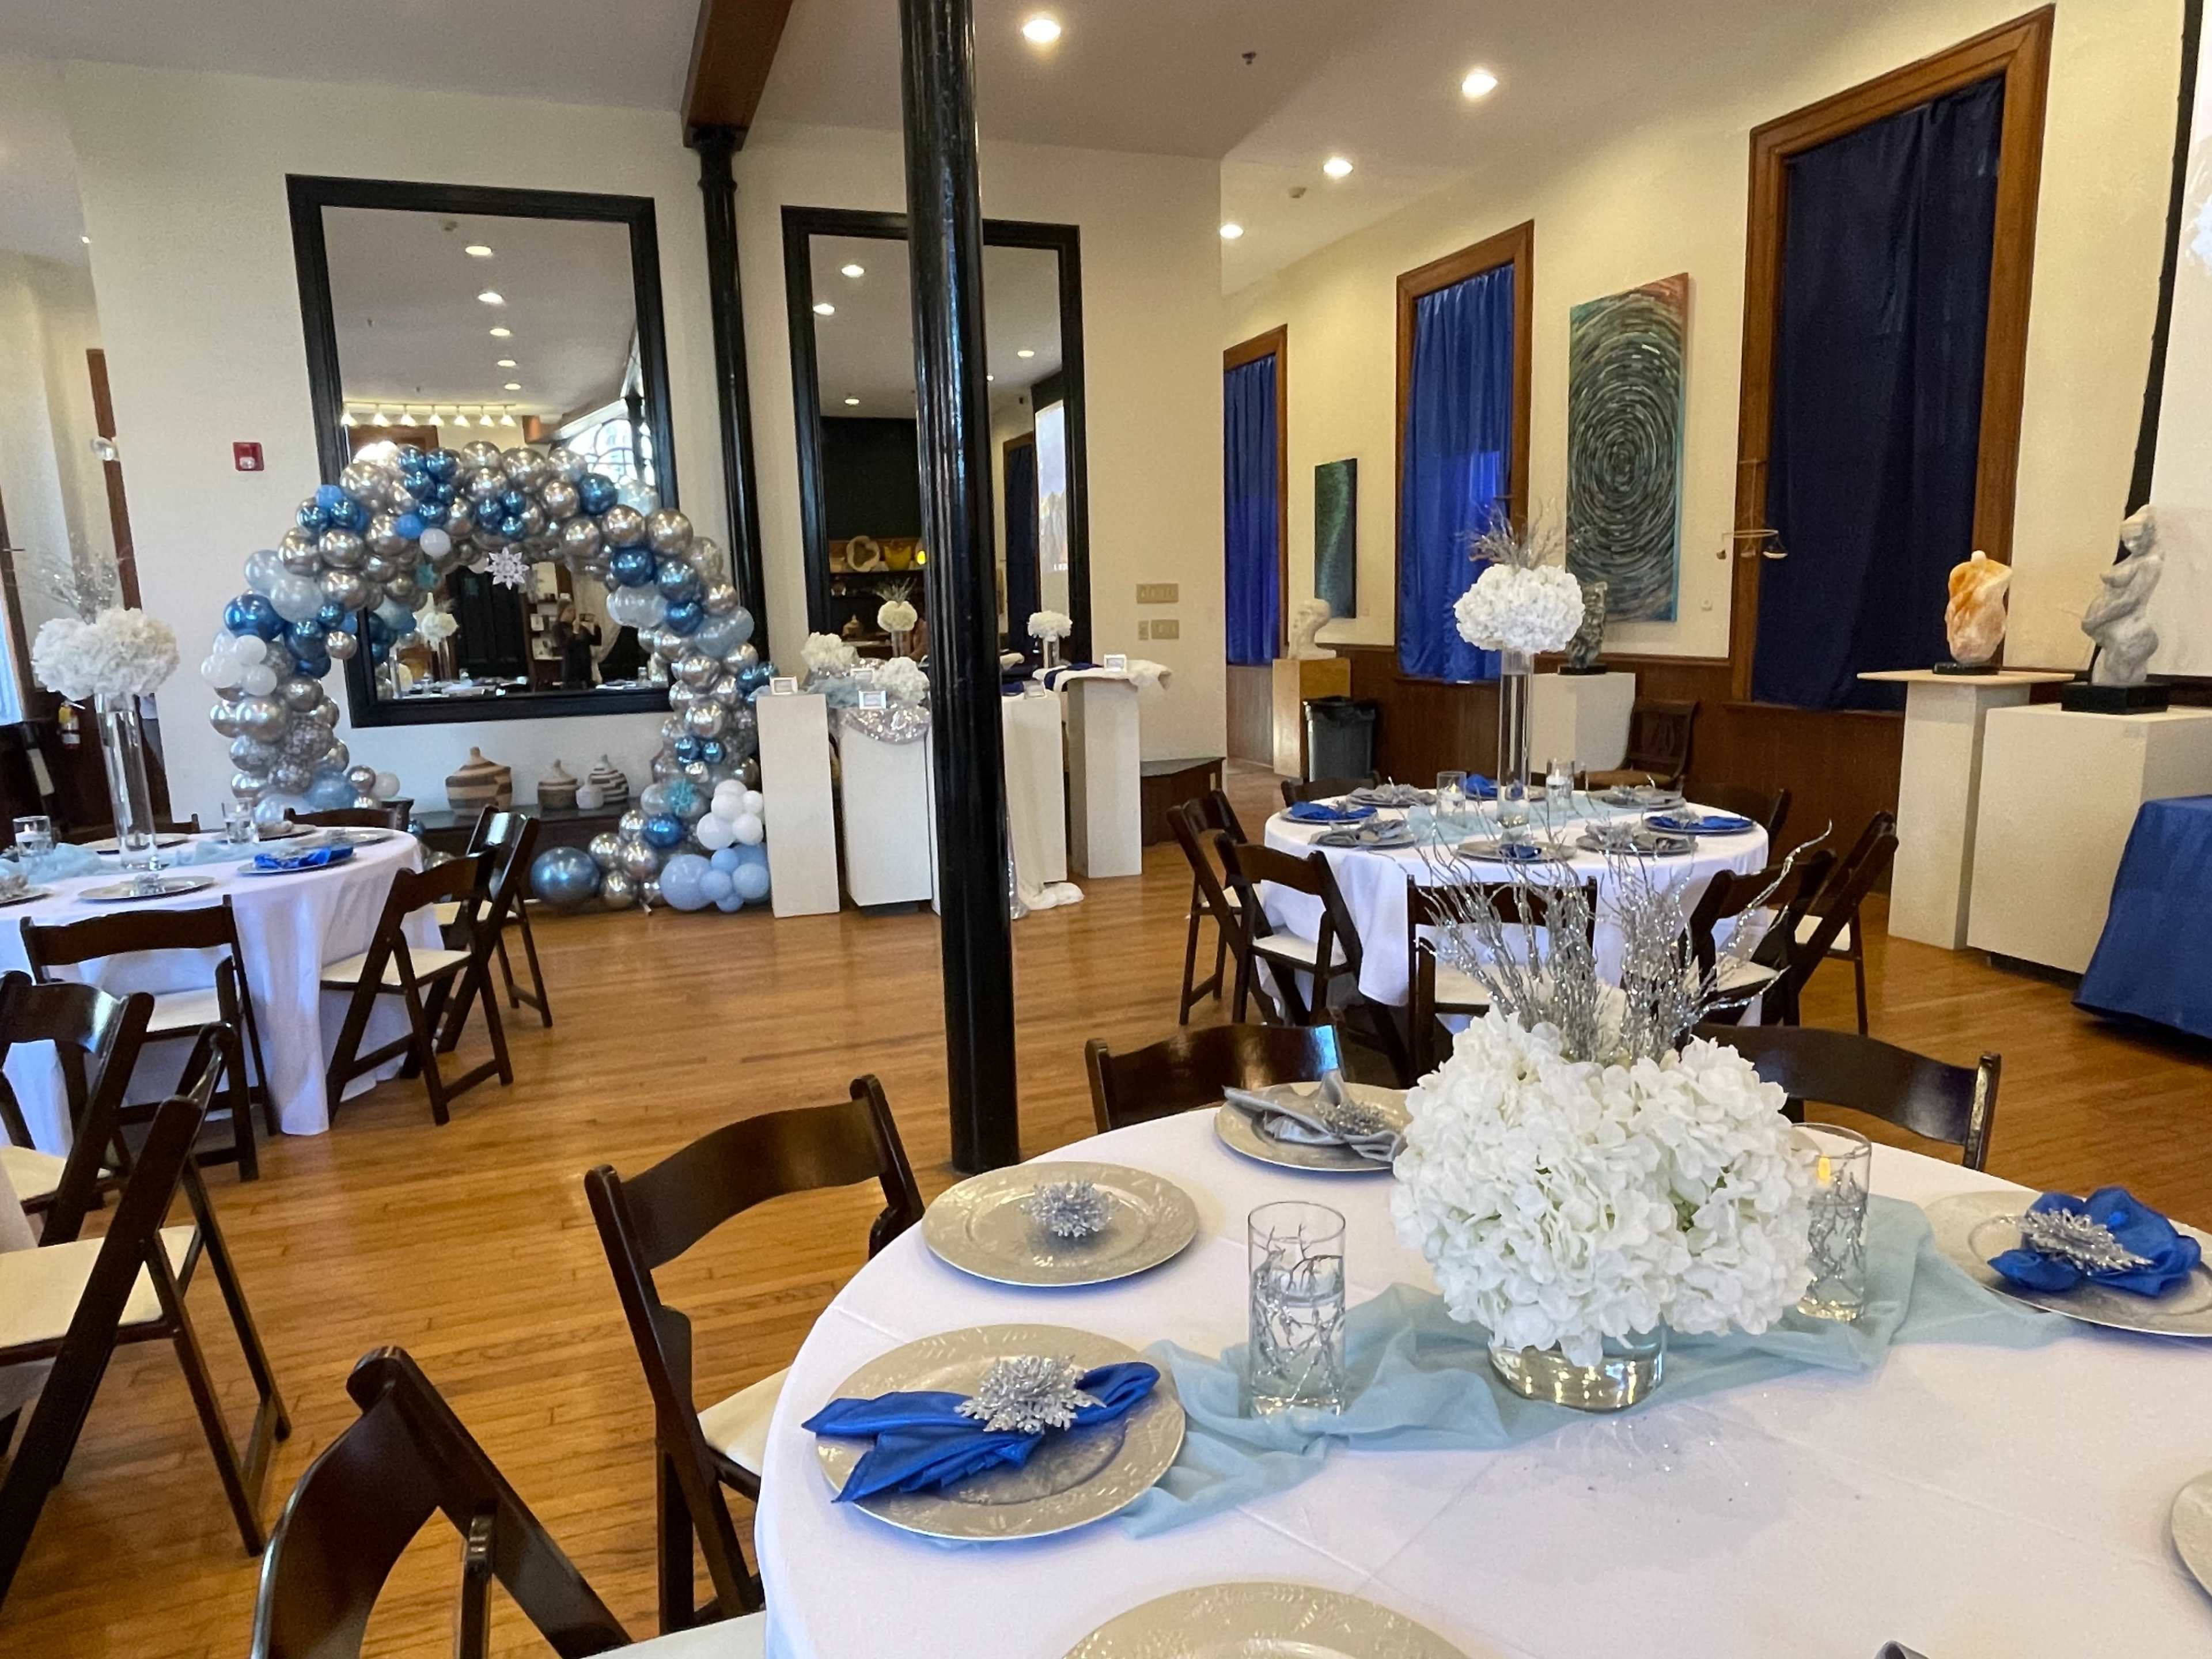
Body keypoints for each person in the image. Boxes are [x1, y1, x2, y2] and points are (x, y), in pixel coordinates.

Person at [556, 604, 602, 688]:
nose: (572, 613)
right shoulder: (558, 628)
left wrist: (597, 626)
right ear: (561, 612)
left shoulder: (582, 628)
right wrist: (575, 633)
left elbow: (596, 641)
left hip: (586, 670)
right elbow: (565, 646)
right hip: (571, 671)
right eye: (569, 611)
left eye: (574, 611)